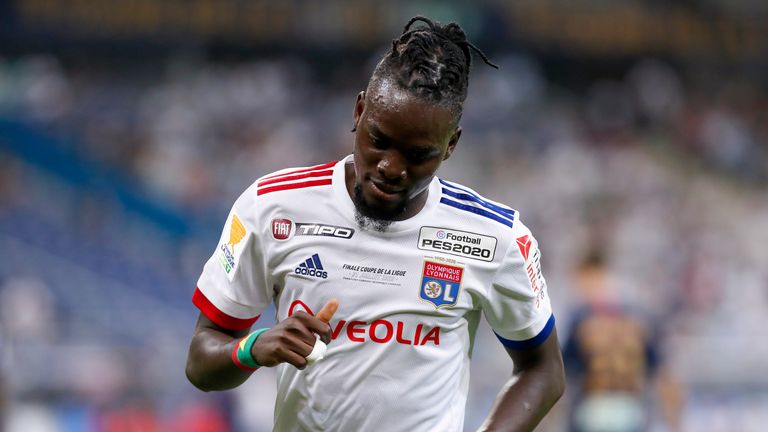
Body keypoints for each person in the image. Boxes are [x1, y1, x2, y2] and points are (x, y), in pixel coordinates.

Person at [186, 16, 565, 432]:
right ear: (360, 109)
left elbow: (543, 370)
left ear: (450, 145)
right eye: (379, 140)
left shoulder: (496, 238)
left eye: (418, 154)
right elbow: (201, 363)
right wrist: (254, 348)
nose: (390, 167)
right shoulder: (272, 207)